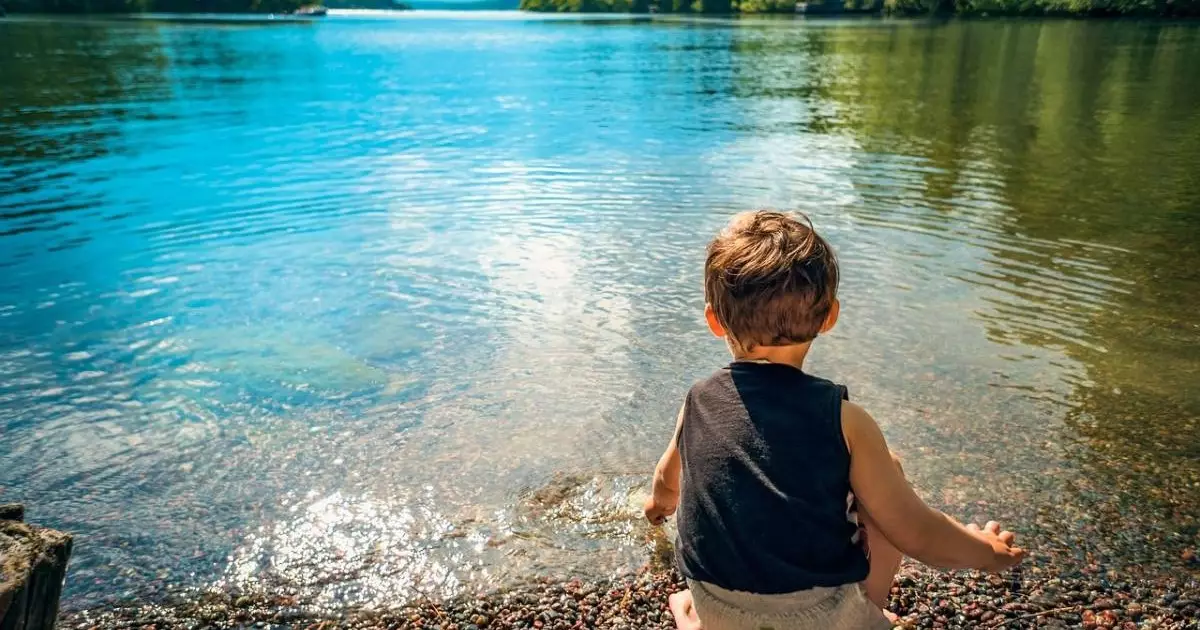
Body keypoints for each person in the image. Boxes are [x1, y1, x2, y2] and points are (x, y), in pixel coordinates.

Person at [643, 211, 1025, 630]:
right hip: (819, 619)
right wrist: (988, 552)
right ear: (830, 317)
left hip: (717, 604)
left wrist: (656, 509)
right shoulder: (846, 421)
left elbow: (667, 483)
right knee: (888, 474)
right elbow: (916, 532)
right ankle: (867, 614)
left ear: (714, 320)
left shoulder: (696, 401)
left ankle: (695, 616)